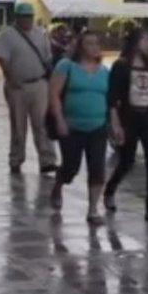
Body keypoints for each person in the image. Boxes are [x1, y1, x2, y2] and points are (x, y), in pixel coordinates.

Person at [48, 31, 122, 226]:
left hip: (98, 127)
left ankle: (92, 210)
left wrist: (115, 124)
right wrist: (59, 119)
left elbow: (111, 101)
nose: (94, 47)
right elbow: (53, 93)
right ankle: (59, 183)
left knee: (97, 168)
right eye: (89, 43)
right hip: (72, 126)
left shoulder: (104, 71)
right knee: (71, 168)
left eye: (96, 43)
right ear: (80, 47)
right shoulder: (67, 66)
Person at [104, 28, 148, 224]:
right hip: (129, 117)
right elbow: (112, 97)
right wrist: (115, 124)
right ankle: (110, 189)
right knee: (127, 161)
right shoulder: (121, 65)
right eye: (145, 39)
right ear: (136, 42)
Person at [0, 3, 59, 175]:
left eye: (29, 16)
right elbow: (1, 58)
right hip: (17, 86)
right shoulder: (7, 35)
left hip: (39, 83)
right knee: (18, 126)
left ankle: (47, 160)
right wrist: (11, 79)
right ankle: (16, 159)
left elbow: (47, 57)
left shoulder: (40, 34)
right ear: (17, 17)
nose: (27, 20)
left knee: (42, 124)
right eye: (24, 16)